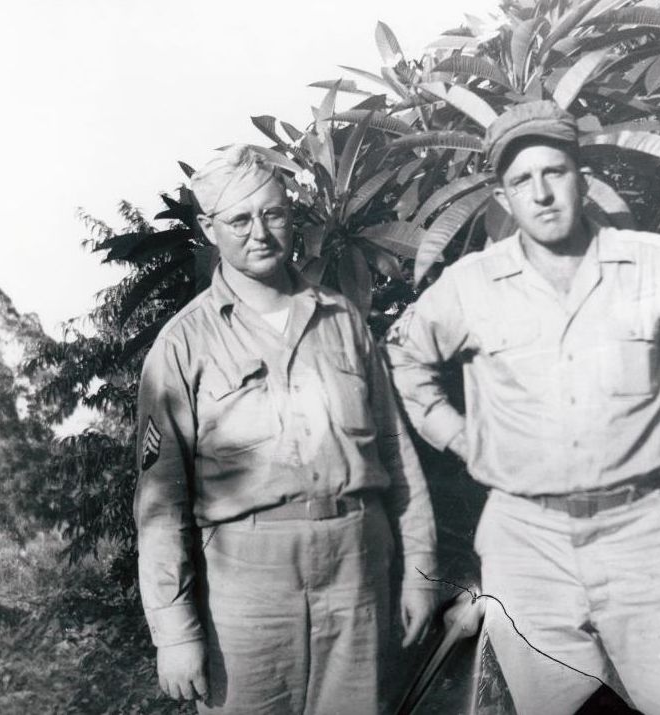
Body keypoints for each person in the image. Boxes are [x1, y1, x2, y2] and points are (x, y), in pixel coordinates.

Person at [385, 101, 660, 715]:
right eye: (521, 181)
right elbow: (403, 355)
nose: (540, 194)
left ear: (581, 179)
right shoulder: (470, 284)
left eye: (554, 173)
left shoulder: (647, 261)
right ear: (504, 197)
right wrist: (459, 437)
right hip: (524, 539)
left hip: (638, 531)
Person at [133, 144, 437, 714]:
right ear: (208, 228)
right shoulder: (183, 343)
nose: (260, 233)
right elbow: (159, 503)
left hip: (357, 569)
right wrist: (174, 632)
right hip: (247, 585)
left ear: (291, 214)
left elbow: (396, 453)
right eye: (240, 220)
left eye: (273, 214)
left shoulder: (342, 319)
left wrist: (420, 573)